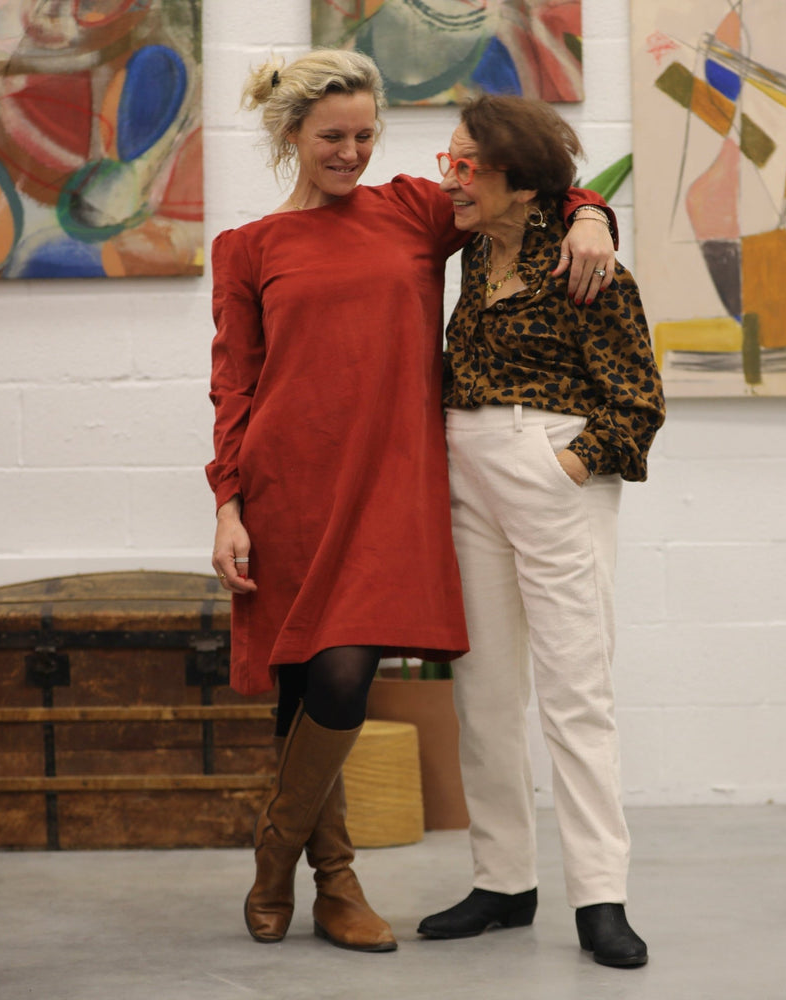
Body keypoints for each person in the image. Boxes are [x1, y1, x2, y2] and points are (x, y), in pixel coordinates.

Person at [206, 50, 618, 953]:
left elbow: (525, 181)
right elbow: (233, 386)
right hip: (288, 491)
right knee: (303, 682)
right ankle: (333, 884)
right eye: (332, 137)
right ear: (291, 135)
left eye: (365, 135)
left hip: (389, 486)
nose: (351, 153)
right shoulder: (248, 248)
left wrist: (593, 215)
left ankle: (273, 865)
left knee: (343, 677)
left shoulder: (413, 212)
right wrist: (229, 504)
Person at [416, 95, 665, 969]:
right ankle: (503, 881)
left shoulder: (585, 263)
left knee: (575, 692)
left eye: (466, 166)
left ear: (521, 185)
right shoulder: (470, 249)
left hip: (550, 468)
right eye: (448, 161)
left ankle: (600, 897)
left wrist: (569, 466)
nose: (450, 180)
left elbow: (638, 402)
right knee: (483, 693)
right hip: (467, 472)